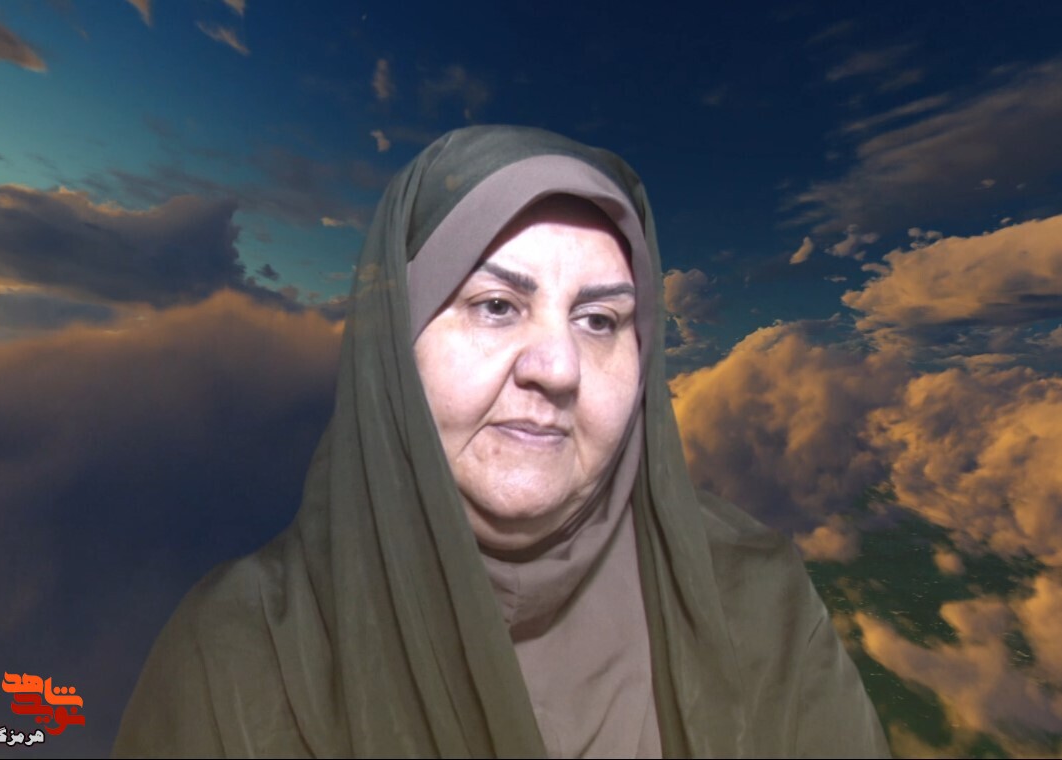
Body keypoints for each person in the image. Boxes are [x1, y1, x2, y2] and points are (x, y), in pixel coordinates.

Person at [113, 125, 890, 758]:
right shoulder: (237, 649)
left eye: (599, 321)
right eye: (495, 306)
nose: (557, 367)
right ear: (394, 343)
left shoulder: (755, 600)